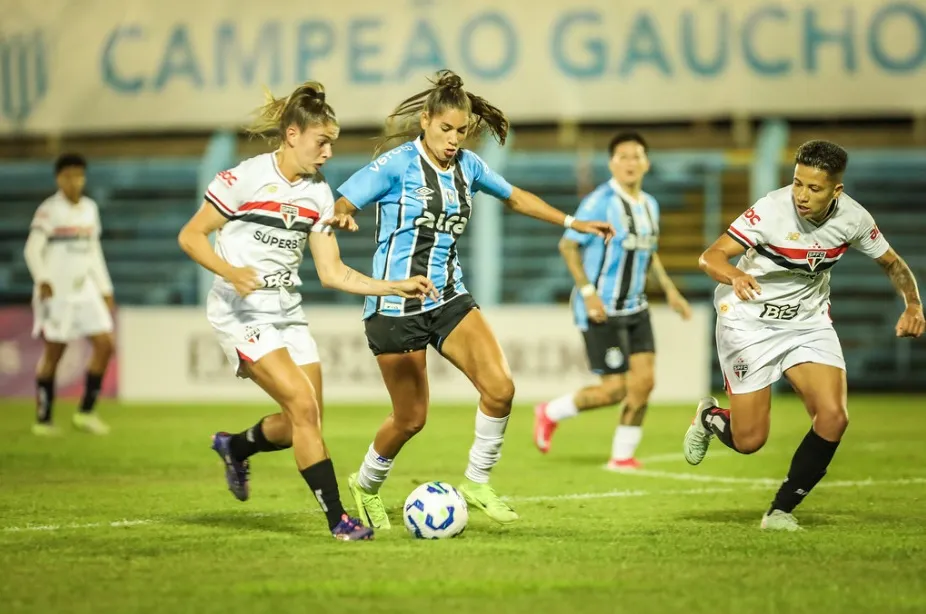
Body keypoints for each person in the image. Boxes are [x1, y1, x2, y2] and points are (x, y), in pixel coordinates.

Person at [328, 70, 614, 530]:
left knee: (501, 388)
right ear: (425, 121)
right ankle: (365, 486)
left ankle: (477, 482)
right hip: (394, 306)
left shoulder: (469, 168)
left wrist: (572, 222)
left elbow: (515, 197)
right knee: (410, 419)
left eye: (462, 131)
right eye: (446, 129)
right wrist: (342, 216)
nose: (454, 139)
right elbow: (345, 200)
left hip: (448, 297)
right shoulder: (398, 164)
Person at [177, 81, 436, 541]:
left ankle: (234, 446)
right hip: (241, 311)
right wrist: (230, 270)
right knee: (300, 404)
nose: (329, 152)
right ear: (292, 135)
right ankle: (339, 520)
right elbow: (191, 236)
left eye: (332, 142)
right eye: (323, 141)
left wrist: (392, 285)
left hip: (287, 312)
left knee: (305, 420)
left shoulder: (318, 195)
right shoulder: (243, 180)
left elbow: (334, 273)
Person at [683, 140, 924, 531]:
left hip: (806, 322)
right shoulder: (769, 210)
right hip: (748, 323)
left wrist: (913, 304)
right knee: (749, 440)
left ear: (836, 190)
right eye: (797, 183)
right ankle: (710, 417)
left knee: (833, 417)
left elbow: (893, 264)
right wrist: (736, 274)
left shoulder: (854, 219)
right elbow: (710, 257)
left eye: (814, 188)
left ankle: (780, 511)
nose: (801, 195)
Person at [533, 132, 692, 470]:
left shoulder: (650, 205)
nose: (630, 163)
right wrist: (589, 294)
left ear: (646, 162)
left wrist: (670, 290)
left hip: (636, 307)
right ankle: (550, 411)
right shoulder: (600, 201)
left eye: (636, 156)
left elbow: (649, 252)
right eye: (622, 157)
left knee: (645, 383)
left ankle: (621, 456)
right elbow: (567, 245)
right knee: (614, 389)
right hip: (602, 309)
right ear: (612, 164)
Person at [24, 153, 115, 437]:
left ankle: (85, 412)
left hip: (84, 289)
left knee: (105, 345)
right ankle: (43, 419)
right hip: (58, 292)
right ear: (59, 178)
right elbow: (31, 249)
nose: (75, 181)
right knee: (55, 350)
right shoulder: (49, 210)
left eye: (79, 175)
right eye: (69, 175)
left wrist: (105, 288)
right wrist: (42, 279)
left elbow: (94, 251)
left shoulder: (89, 208)